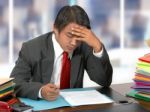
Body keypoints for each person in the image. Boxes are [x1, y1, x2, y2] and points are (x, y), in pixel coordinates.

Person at [10, 5, 113, 101]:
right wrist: (40, 91)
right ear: (55, 28)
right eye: (69, 35)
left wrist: (98, 46)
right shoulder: (32, 48)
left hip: (74, 107)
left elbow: (104, 81)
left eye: (79, 37)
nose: (74, 43)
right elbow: (14, 84)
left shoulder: (84, 46)